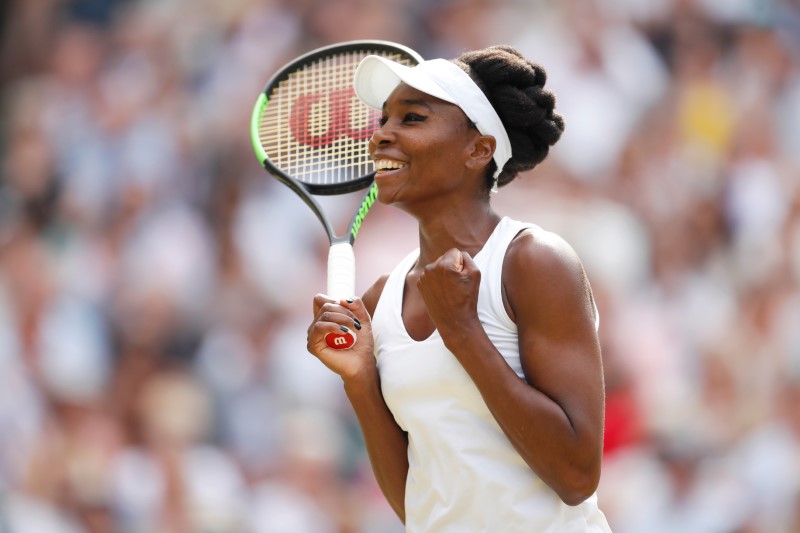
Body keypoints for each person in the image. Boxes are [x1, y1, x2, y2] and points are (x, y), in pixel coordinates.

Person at [307, 45, 612, 532]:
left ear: (479, 149)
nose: (381, 134)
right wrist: (360, 380)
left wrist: (464, 331)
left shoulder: (534, 262)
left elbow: (577, 476)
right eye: (383, 119)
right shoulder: (381, 300)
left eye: (412, 118)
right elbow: (421, 506)